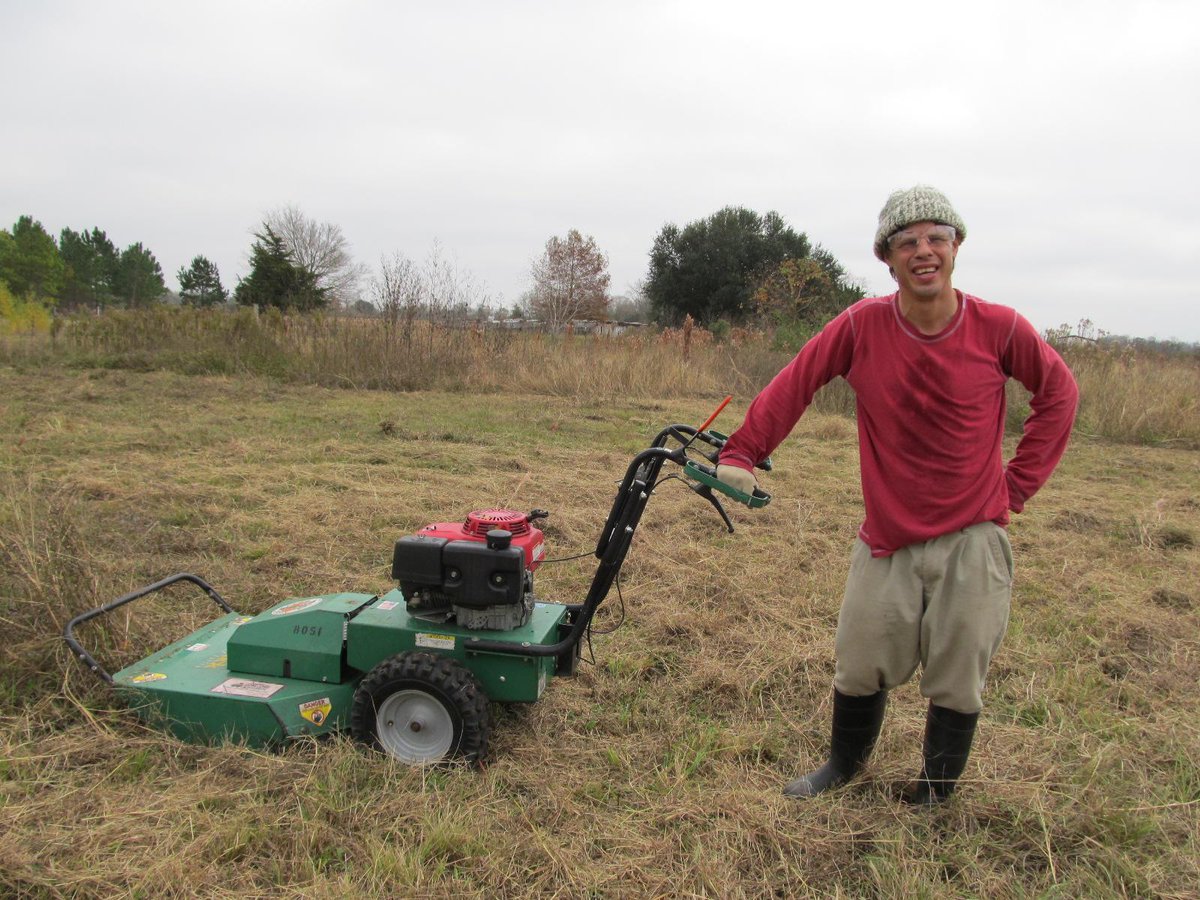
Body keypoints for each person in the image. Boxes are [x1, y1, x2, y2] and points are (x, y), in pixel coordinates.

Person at [716, 185, 1078, 803]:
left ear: (957, 247)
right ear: (888, 257)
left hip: (974, 539)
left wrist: (1015, 487)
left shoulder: (999, 327)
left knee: (957, 676)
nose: (924, 251)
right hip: (887, 538)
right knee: (859, 664)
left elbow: (1060, 395)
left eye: (937, 237)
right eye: (907, 241)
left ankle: (935, 791)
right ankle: (843, 766)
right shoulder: (863, 325)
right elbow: (797, 381)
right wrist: (741, 452)